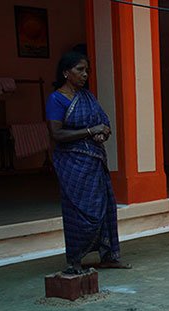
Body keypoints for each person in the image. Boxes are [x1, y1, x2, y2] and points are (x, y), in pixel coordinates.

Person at [46, 50, 127, 275]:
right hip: (72, 165)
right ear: (65, 73)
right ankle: (75, 260)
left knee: (104, 207)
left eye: (86, 70)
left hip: (95, 162)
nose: (85, 75)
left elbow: (104, 122)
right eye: (80, 70)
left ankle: (108, 256)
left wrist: (103, 133)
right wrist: (90, 131)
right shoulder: (56, 99)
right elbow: (57, 134)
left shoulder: (88, 97)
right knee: (79, 211)